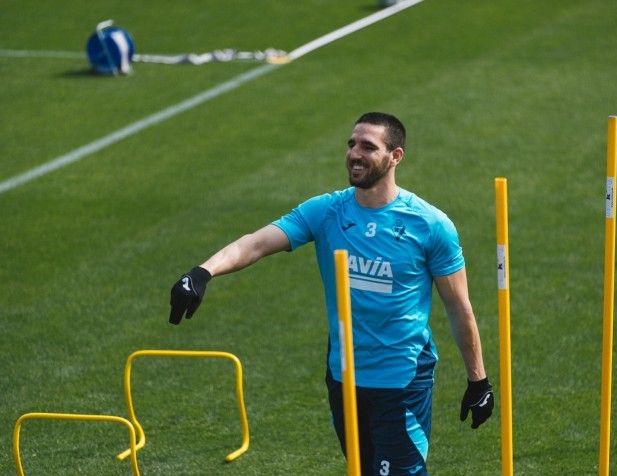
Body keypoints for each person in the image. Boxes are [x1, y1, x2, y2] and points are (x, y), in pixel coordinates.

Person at [169, 112, 493, 475]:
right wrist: (203, 271)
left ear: (396, 156)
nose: (355, 153)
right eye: (352, 144)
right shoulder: (327, 211)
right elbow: (256, 243)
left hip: (401, 381)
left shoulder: (430, 225)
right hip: (343, 375)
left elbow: (457, 305)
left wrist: (477, 379)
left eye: (368, 147)